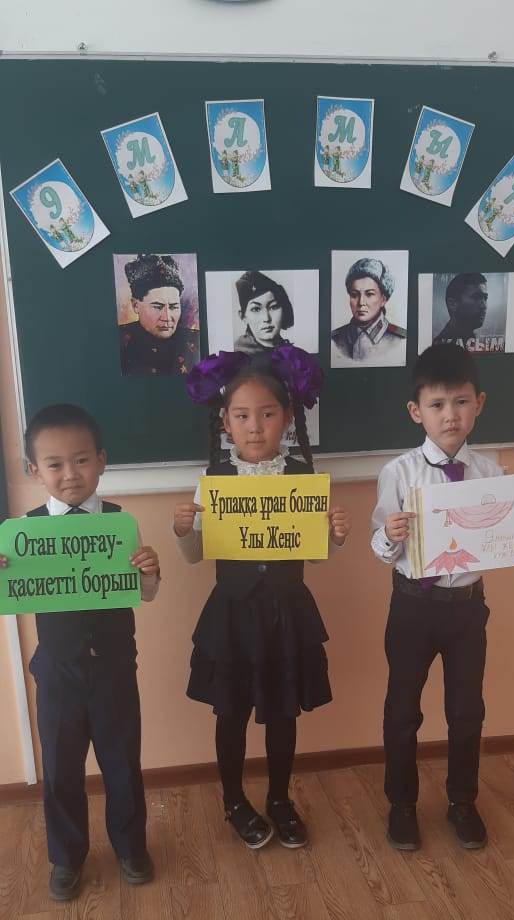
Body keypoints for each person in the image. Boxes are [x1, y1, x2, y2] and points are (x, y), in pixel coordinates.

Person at [174, 346, 351, 850]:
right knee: (230, 712)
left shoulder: (302, 479)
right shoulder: (214, 481)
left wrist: (335, 535)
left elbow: (313, 555)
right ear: (225, 422)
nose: (255, 427)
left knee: (282, 711)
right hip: (232, 615)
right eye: (242, 416)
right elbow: (196, 555)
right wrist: (183, 529)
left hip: (285, 614)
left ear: (287, 418)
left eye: (267, 414)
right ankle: (233, 800)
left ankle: (278, 798)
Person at [0, 404, 160, 901]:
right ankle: (66, 856)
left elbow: (145, 593)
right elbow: (13, 596)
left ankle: (131, 847)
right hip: (58, 674)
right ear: (35, 470)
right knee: (61, 770)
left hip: (114, 670)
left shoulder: (120, 524)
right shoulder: (22, 533)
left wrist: (149, 570)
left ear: (102, 460)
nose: (70, 474)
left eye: (81, 460)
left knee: (122, 763)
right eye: (55, 464)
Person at [371, 344, 503, 852]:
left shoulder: (491, 473)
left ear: (479, 404)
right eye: (437, 404)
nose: (451, 415)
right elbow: (380, 548)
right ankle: (401, 804)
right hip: (413, 606)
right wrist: (390, 534)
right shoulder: (399, 473)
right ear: (416, 411)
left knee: (467, 710)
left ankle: (462, 801)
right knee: (402, 709)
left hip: (467, 608)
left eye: (461, 402)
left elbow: (500, 538)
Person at [119, 254, 199, 376]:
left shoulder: (196, 341)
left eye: (173, 307)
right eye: (157, 307)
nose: (167, 317)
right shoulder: (119, 340)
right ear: (135, 305)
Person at [331, 258, 406, 365]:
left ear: (383, 300)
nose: (361, 302)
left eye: (369, 294)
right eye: (354, 295)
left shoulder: (400, 339)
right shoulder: (334, 339)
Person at [234, 270, 294, 356]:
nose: (266, 318)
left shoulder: (292, 353)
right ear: (243, 317)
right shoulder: (237, 357)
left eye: (273, 307)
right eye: (256, 309)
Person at [433, 273, 489, 348]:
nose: (484, 306)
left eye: (485, 298)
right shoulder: (440, 348)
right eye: (476, 297)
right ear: (452, 304)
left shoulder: (472, 340)